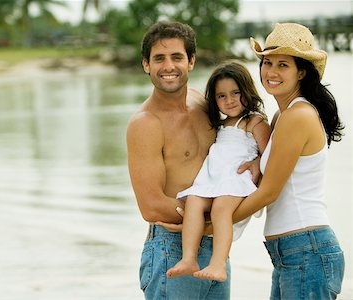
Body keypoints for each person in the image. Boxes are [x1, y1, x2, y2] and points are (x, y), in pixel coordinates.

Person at [126, 21, 259, 300]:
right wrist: (206, 220)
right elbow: (150, 206)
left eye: (177, 57)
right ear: (146, 65)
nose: (168, 66)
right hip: (172, 248)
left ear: (191, 62)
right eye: (159, 58)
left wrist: (257, 164)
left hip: (216, 250)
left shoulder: (203, 104)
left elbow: (240, 142)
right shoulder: (145, 124)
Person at [229, 23, 345, 299]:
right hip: (292, 252)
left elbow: (269, 192)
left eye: (283, 65)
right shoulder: (284, 116)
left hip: (307, 249)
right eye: (267, 62)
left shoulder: (298, 115)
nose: (271, 72)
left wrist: (213, 226)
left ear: (301, 72)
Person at [166, 61, 271, 282]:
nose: (229, 100)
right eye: (221, 96)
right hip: (213, 179)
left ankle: (218, 263)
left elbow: (271, 154)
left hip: (236, 179)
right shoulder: (221, 124)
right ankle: (189, 258)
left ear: (246, 91)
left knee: (221, 209)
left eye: (235, 93)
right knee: (194, 201)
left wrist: (257, 161)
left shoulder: (254, 121)